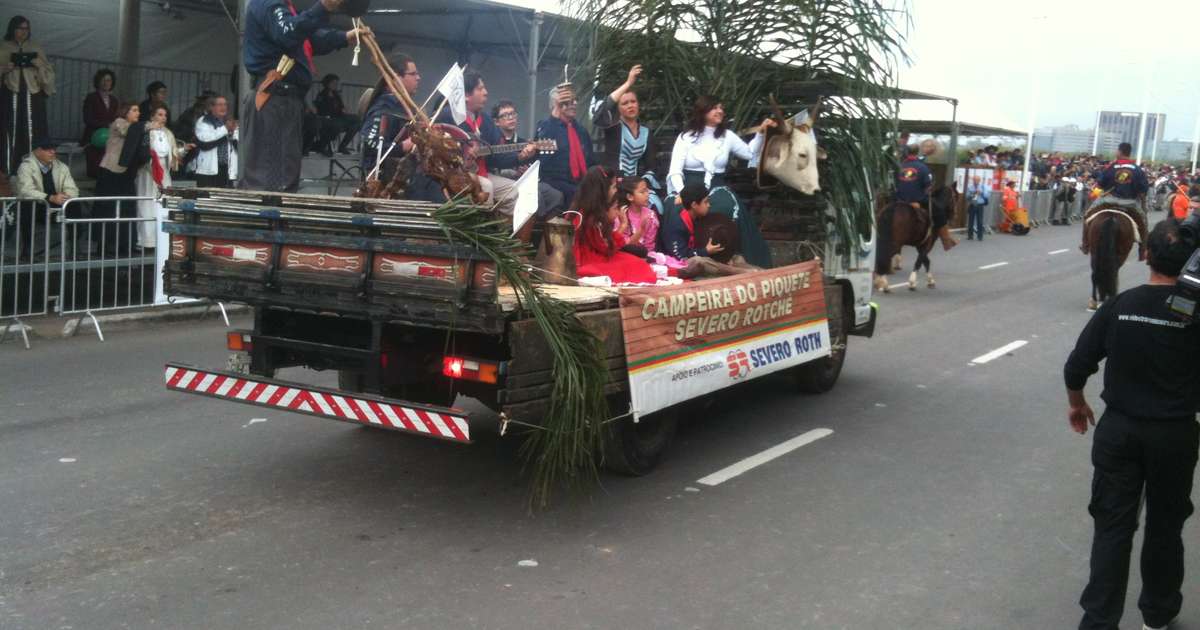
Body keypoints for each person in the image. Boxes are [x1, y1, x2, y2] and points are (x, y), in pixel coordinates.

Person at [1064, 219, 1200, 630]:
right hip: (1175, 435)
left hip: (1119, 431)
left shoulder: (1119, 305)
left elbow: (1076, 368)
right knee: (1166, 525)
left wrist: (1077, 405)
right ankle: (1158, 614)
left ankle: (1099, 620)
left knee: (1112, 526)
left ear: (1145, 255)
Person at [239, 0, 369, 192]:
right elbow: (289, 33)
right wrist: (322, 8)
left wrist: (343, 37)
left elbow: (308, 40)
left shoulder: (281, 7)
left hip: (284, 98)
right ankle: (266, 218)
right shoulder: (268, 2)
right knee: (272, 177)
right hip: (276, 96)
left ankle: (273, 216)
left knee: (283, 173)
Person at [665, 94, 775, 268]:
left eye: (721, 108)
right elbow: (675, 171)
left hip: (716, 185)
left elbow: (749, 153)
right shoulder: (686, 137)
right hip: (687, 185)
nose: (720, 111)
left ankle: (733, 259)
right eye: (715, 107)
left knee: (727, 206)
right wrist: (682, 193)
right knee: (675, 207)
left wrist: (761, 134)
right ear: (703, 111)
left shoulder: (727, 136)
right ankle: (681, 261)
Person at [436, 71, 536, 217]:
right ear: (466, 95)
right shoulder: (447, 115)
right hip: (453, 174)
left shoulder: (487, 121)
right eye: (480, 89)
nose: (486, 93)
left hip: (480, 172)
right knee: (486, 186)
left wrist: (520, 157)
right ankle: (482, 234)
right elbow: (435, 143)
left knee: (515, 191)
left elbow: (496, 157)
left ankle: (505, 234)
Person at [571, 165, 657, 284]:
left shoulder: (595, 211)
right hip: (591, 261)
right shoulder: (588, 216)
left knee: (638, 263)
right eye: (613, 187)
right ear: (602, 190)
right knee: (637, 266)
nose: (616, 190)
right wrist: (623, 226)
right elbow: (605, 248)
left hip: (601, 256)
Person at [490, 98, 565, 220]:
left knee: (555, 195)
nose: (511, 117)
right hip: (501, 183)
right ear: (496, 122)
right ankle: (529, 235)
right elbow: (492, 163)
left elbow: (534, 165)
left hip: (522, 182)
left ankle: (545, 235)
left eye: (513, 114)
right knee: (536, 196)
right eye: (505, 115)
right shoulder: (493, 140)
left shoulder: (524, 144)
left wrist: (527, 171)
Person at [664, 182, 758, 278]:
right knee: (700, 261)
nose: (709, 205)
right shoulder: (676, 225)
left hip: (703, 255)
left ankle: (760, 273)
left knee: (736, 258)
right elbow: (681, 256)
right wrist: (705, 251)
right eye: (706, 202)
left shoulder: (698, 217)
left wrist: (723, 255)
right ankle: (743, 273)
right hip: (680, 265)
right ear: (694, 205)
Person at [0, 16, 55, 174]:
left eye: (26, 29)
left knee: (34, 131)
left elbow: (48, 76)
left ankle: (34, 172)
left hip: (33, 95)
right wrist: (4, 69)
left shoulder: (36, 47)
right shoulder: (3, 47)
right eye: (19, 28)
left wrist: (39, 66)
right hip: (10, 95)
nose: (23, 32)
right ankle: (8, 170)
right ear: (12, 29)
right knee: (9, 132)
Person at [135, 105, 192, 249]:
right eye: (160, 114)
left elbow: (172, 153)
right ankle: (145, 241)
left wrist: (184, 149)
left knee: (162, 203)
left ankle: (162, 239)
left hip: (164, 173)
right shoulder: (146, 131)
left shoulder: (168, 133)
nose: (163, 118)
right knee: (146, 204)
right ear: (152, 116)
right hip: (148, 172)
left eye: (165, 115)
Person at [359, 52, 419, 184]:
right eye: (413, 74)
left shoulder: (406, 108)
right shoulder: (383, 107)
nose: (418, 78)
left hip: (401, 180)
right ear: (396, 77)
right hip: (381, 182)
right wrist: (403, 146)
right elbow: (370, 144)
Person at [1083, 142, 1150, 259]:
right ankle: (1142, 249)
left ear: (1120, 152)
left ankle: (1085, 244)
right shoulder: (1138, 170)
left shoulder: (1111, 167)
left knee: (1087, 215)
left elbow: (1100, 184)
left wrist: (1095, 193)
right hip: (1130, 203)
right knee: (1143, 223)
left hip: (1109, 200)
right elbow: (1143, 191)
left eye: (1116, 150)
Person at [536, 83, 594, 204]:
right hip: (555, 183)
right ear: (555, 106)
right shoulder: (547, 126)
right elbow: (543, 158)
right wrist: (555, 115)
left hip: (580, 182)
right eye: (567, 102)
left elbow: (591, 161)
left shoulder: (581, 131)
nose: (574, 104)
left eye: (574, 100)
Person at [894, 144, 957, 250]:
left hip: (899, 199)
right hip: (917, 199)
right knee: (940, 211)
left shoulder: (900, 166)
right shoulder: (923, 167)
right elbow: (928, 186)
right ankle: (946, 241)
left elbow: (895, 183)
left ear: (907, 152)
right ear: (917, 152)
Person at [14, 137, 77, 207]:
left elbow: (71, 188)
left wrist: (65, 197)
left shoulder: (62, 167)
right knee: (30, 206)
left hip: (57, 204)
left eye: (54, 149)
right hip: (36, 205)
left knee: (73, 204)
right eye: (47, 149)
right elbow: (26, 191)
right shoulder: (26, 167)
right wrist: (51, 198)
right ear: (37, 151)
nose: (53, 152)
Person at [81, 69, 120, 179]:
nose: (106, 83)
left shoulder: (114, 100)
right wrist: (105, 125)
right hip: (93, 137)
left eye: (108, 80)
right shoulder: (91, 98)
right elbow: (87, 119)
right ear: (97, 82)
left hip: (109, 137)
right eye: (103, 80)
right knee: (94, 171)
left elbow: (116, 118)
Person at [193, 94, 239, 188]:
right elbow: (206, 139)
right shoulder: (203, 121)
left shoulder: (230, 121)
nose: (223, 107)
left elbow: (239, 143)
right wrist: (225, 129)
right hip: (208, 170)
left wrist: (233, 133)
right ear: (211, 107)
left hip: (227, 169)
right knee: (206, 200)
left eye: (225, 104)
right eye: (220, 104)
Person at [313, 73, 359, 155]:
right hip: (329, 119)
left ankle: (343, 146)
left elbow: (341, 107)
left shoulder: (336, 95)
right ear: (328, 83)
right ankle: (322, 145)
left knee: (357, 121)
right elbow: (321, 110)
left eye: (336, 83)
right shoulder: (322, 95)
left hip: (339, 118)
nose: (336, 85)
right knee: (336, 125)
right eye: (334, 83)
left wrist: (344, 110)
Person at [617, 176, 659, 254]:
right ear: (630, 197)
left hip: (644, 256)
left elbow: (649, 246)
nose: (647, 194)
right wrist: (641, 230)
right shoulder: (621, 215)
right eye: (642, 192)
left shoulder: (651, 215)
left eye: (647, 190)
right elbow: (621, 245)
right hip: (623, 254)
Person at [965, 174, 989, 241]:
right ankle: (970, 236)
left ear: (979, 180)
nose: (975, 181)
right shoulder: (970, 187)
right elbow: (967, 196)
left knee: (980, 221)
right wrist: (973, 193)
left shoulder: (983, 187)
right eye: (974, 180)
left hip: (980, 205)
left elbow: (987, 196)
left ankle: (980, 236)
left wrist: (981, 193)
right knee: (970, 221)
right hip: (973, 205)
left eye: (977, 180)